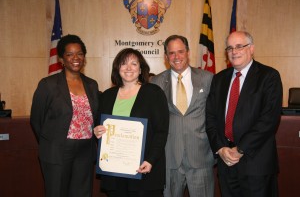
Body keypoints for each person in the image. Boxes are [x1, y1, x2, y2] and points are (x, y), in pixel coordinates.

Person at [206, 31, 282, 197]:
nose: (234, 51)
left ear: (252, 48)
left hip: (256, 163)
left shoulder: (268, 76)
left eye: (240, 46)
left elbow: (268, 120)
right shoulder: (219, 79)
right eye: (230, 48)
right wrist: (220, 148)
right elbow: (210, 117)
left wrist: (240, 149)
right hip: (226, 162)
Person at [30, 34, 100, 197]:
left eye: (80, 54)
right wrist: (52, 142)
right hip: (57, 151)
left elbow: (95, 116)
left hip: (85, 150)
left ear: (84, 57)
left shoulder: (92, 84)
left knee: (82, 193)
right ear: (61, 59)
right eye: (69, 54)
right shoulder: (48, 85)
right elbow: (36, 120)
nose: (75, 58)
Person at [93, 48, 169, 197]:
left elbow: (161, 131)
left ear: (140, 69)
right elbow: (98, 125)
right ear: (117, 68)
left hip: (144, 169)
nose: (128, 68)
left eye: (134, 64)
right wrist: (97, 131)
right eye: (123, 64)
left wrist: (150, 160)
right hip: (114, 170)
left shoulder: (154, 93)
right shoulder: (107, 96)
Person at [151, 35, 215, 197]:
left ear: (188, 53)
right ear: (166, 57)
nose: (176, 57)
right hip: (169, 157)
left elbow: (216, 115)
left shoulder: (207, 79)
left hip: (200, 155)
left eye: (180, 51)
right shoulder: (155, 82)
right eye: (171, 53)